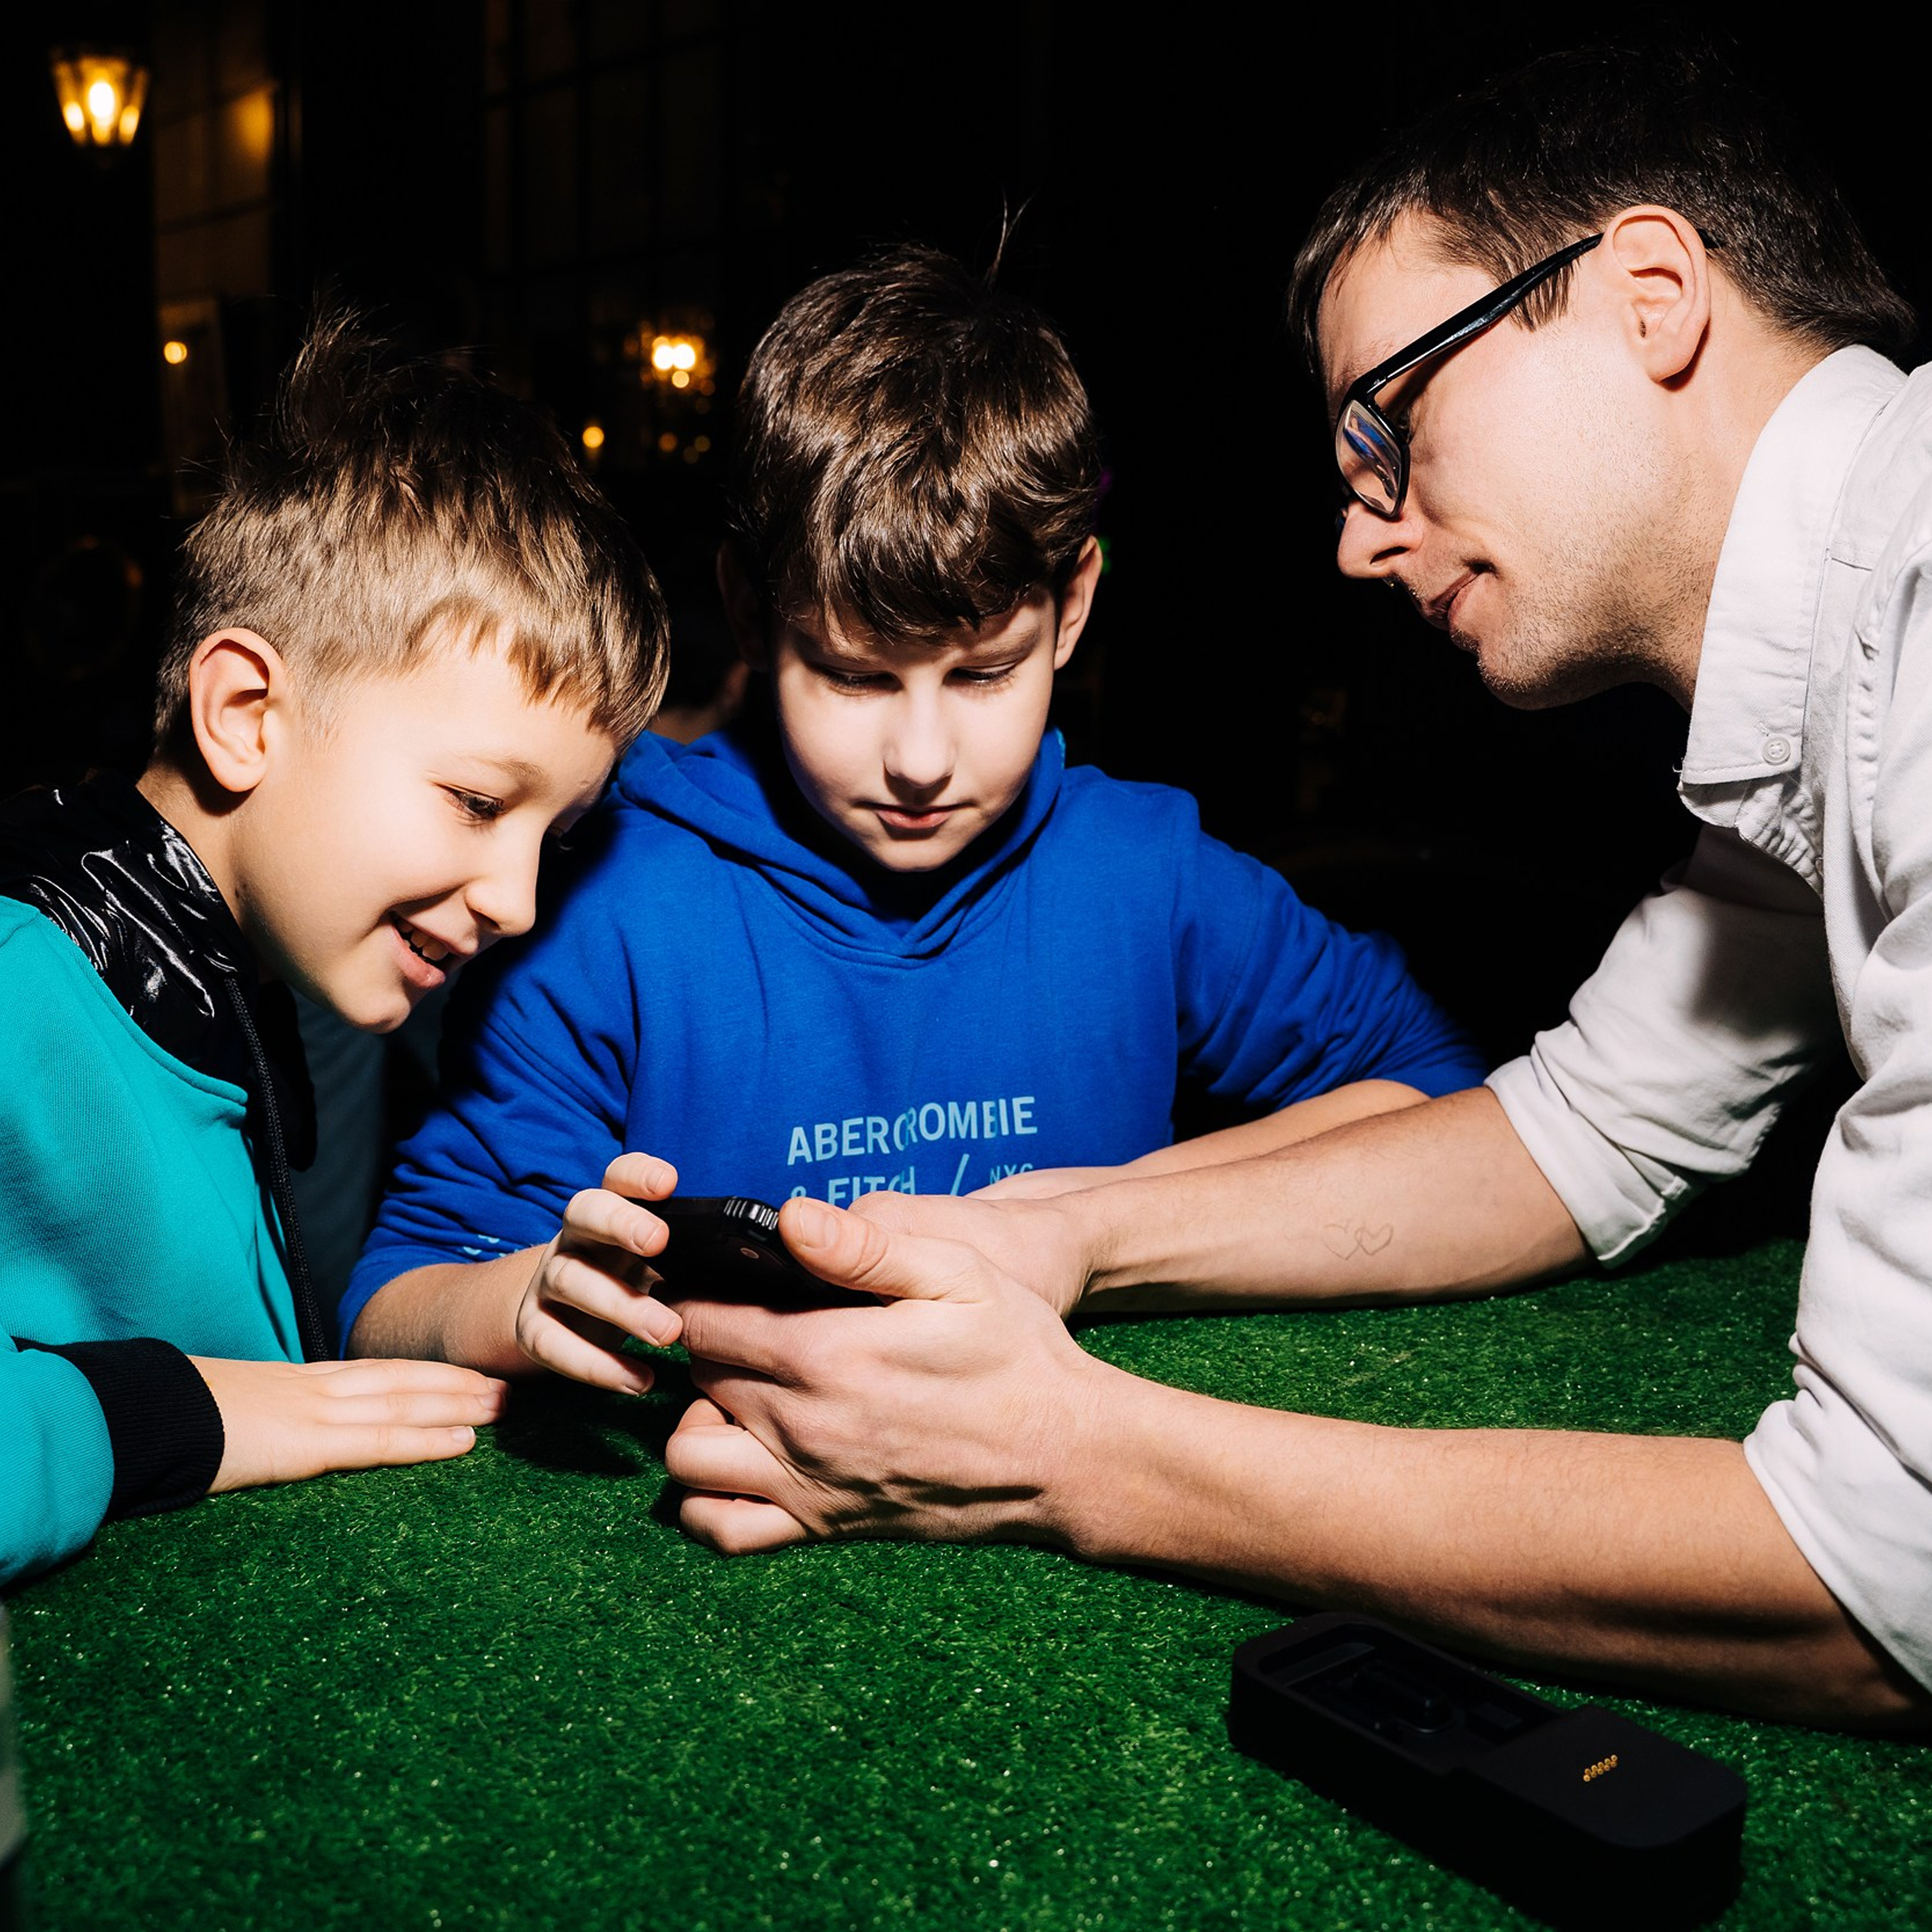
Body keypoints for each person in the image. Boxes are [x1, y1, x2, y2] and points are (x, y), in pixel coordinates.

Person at [655, 46, 1932, 1730]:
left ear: (1646, 296)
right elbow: (1582, 1133)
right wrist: (1040, 1232)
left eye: (1386, 419)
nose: (1355, 533)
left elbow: (1878, 1570)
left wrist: (1056, 1446)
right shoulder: (1827, 670)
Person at [340, 244, 1482, 1390]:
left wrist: (1096, 1223)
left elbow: (1444, 1095)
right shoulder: (601, 906)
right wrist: (525, 1299)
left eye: (985, 675)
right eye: (854, 676)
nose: (924, 762)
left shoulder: (1146, 874)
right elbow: (393, 1305)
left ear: (1072, 604)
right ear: (749, 612)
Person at [0, 312, 667, 1586]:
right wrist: (153, 1416)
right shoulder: (22, 989)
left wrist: (496, 1309)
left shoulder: (237, 977)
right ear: (247, 714)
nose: (519, 903)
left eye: (555, 833)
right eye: (478, 802)